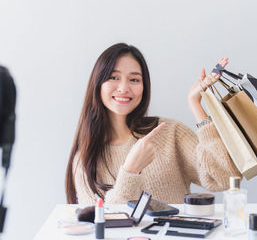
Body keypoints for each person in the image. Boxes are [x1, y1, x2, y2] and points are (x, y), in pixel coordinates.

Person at [65, 43, 241, 204]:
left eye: (134, 79)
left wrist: (196, 104)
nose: (124, 88)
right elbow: (103, 224)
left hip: (176, 238)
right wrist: (130, 171)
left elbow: (226, 178)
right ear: (97, 84)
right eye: (113, 77)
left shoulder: (170, 133)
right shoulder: (86, 157)